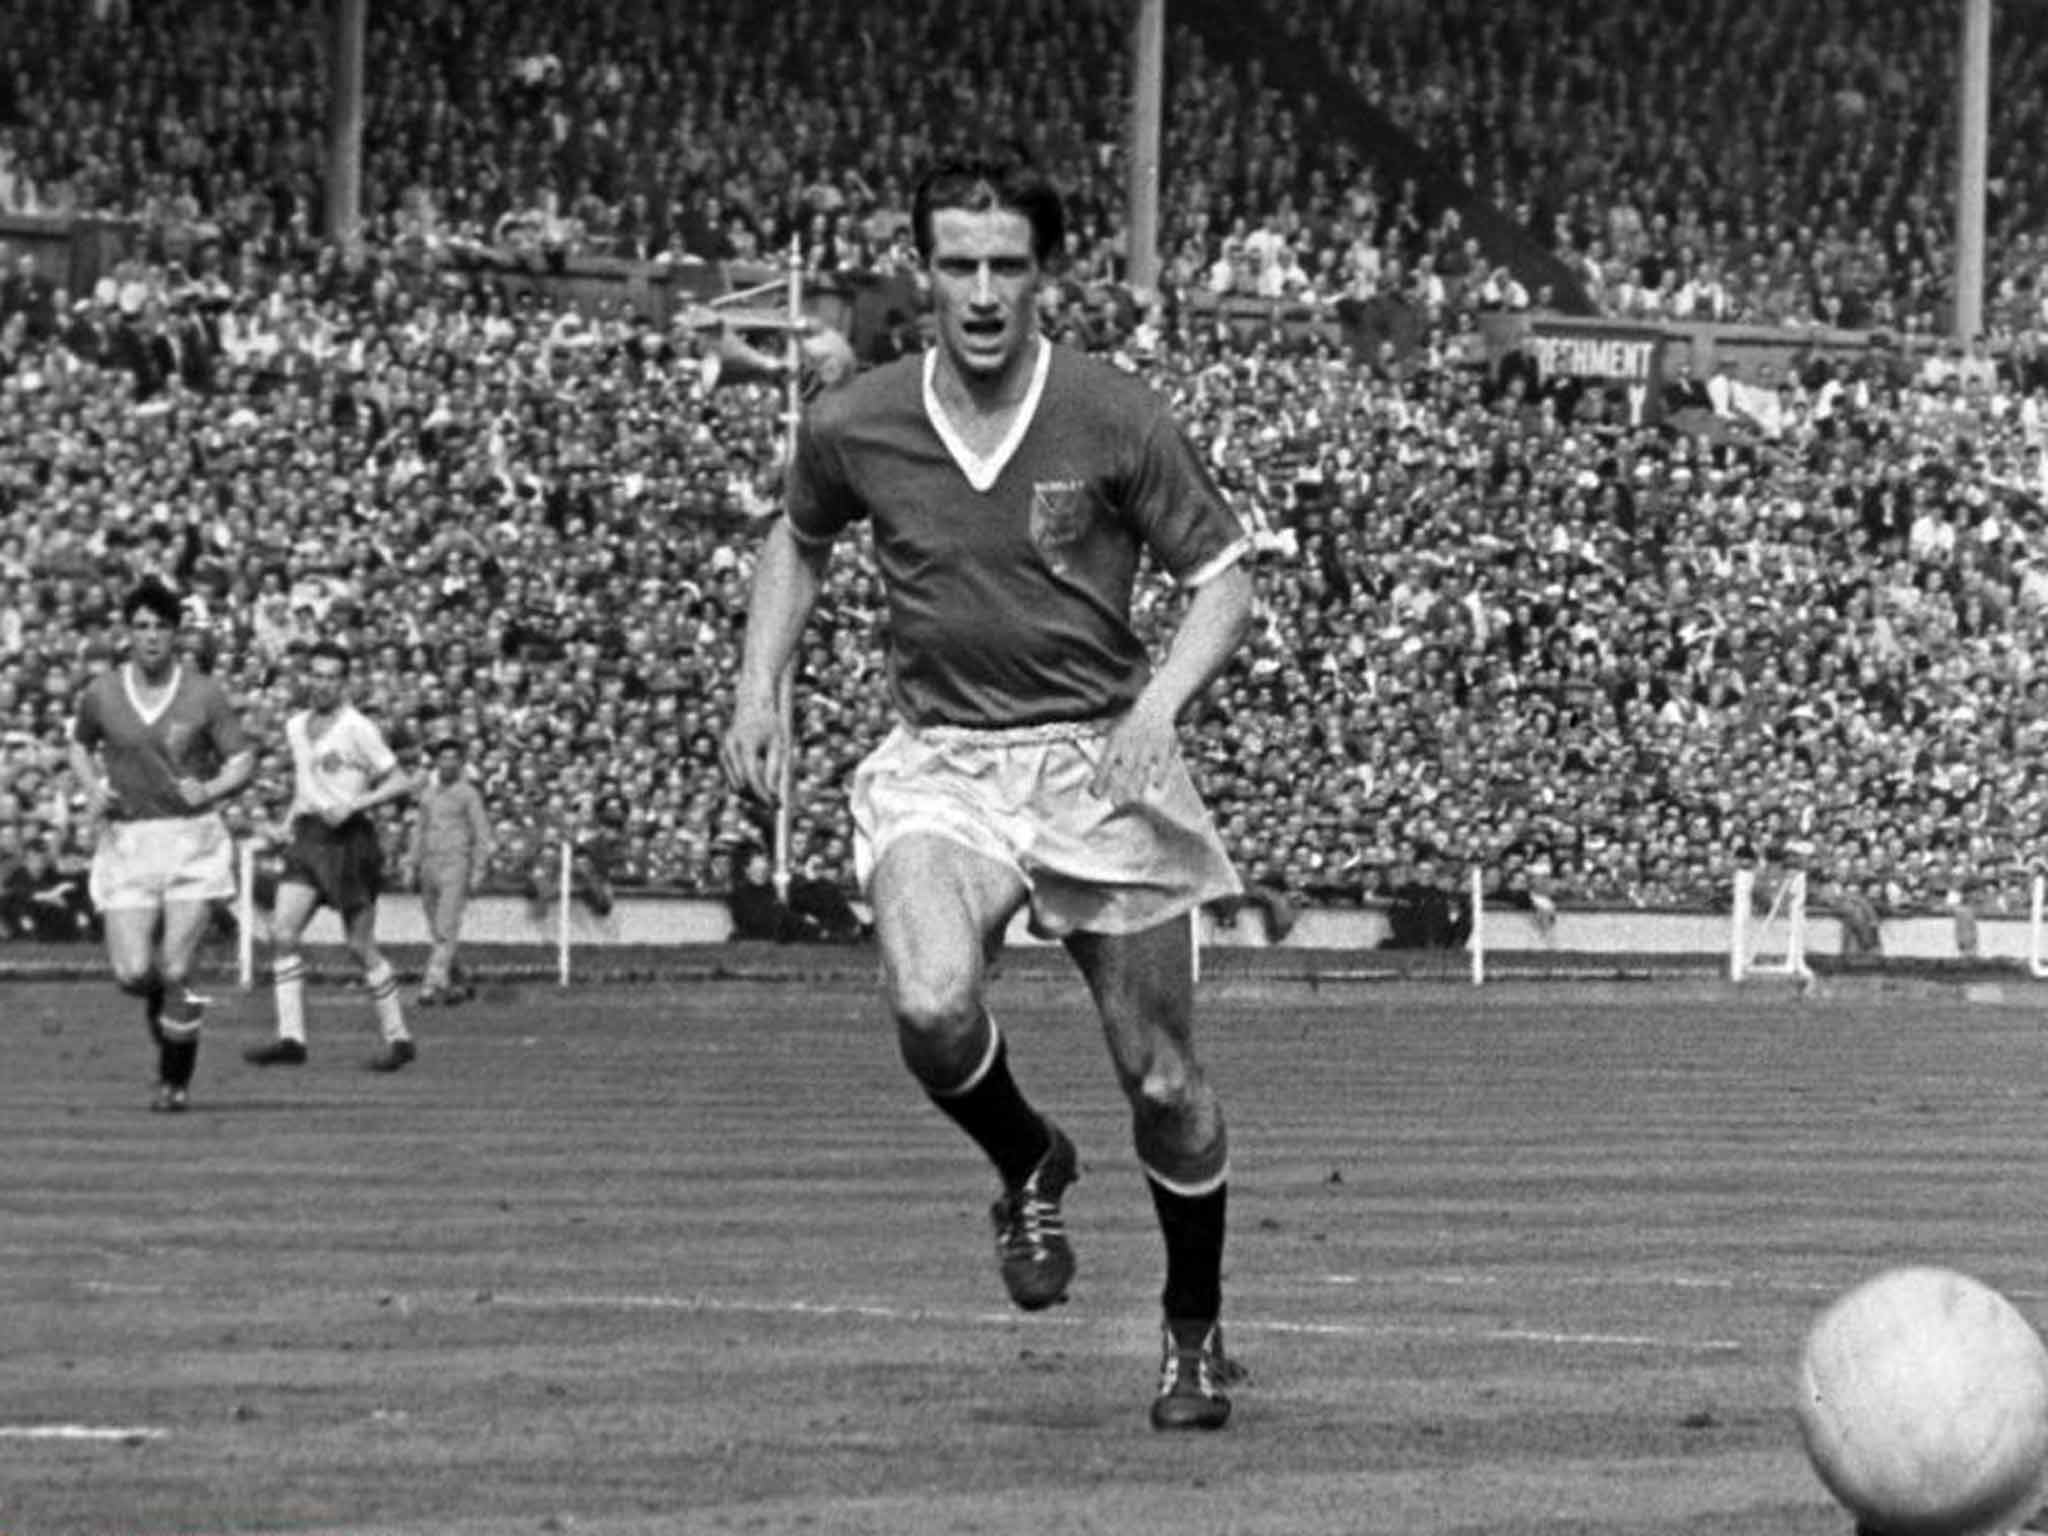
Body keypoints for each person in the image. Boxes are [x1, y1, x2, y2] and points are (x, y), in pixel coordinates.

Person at [721, 152, 1255, 1430]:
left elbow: (1223, 580)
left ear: (1040, 275)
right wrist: (757, 690)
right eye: (955, 263)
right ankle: (1026, 1157)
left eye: (1003, 265)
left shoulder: (1111, 412)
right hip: (945, 764)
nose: (978, 290)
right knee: (928, 999)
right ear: (922, 271)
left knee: (1167, 1087)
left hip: (1094, 764)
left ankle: (1191, 1336)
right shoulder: (854, 419)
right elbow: (795, 539)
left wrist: (1155, 707)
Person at [66, 578, 255, 1112]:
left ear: (176, 633)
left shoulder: (203, 692)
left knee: (175, 966)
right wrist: (92, 791)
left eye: (162, 627)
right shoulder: (102, 692)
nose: (151, 637)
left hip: (191, 839)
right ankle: (172, 1018)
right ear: (129, 633)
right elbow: (80, 745)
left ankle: (176, 1078)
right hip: (128, 841)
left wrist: (214, 787)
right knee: (132, 974)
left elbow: (242, 759)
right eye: (142, 626)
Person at [244, 640, 419, 1072]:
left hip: (348, 841)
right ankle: (292, 1038)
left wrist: (356, 805)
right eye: (316, 675)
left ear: (344, 682)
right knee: (282, 933)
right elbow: (306, 783)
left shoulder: (358, 727)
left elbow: (401, 780)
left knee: (359, 946)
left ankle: (398, 1038)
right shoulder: (296, 725)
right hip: (308, 837)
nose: (321, 684)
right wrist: (287, 821)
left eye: (330, 677)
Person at [404, 736, 494, 1005]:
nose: (447, 764)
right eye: (443, 759)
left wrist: (478, 868)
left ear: (460, 764)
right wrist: (411, 863)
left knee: (445, 926)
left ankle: (432, 985)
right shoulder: (429, 794)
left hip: (455, 862)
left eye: (453, 760)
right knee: (438, 930)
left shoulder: (468, 794)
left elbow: (481, 832)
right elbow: (419, 830)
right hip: (430, 864)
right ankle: (458, 980)